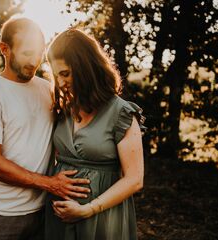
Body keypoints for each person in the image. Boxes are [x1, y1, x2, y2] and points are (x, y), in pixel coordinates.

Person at [0, 19, 90, 240]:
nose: (34, 61)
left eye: (39, 53)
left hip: (44, 211)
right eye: (27, 53)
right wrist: (50, 183)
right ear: (4, 49)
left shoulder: (48, 90)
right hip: (2, 216)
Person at [45, 28, 146, 240]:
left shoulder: (121, 113)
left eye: (65, 73)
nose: (60, 83)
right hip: (59, 217)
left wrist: (88, 209)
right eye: (56, 75)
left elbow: (135, 179)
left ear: (85, 69)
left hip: (103, 218)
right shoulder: (63, 110)